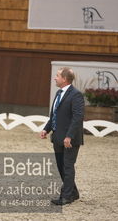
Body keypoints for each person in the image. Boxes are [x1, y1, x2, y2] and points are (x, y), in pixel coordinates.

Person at [40, 67, 84, 205]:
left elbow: (78, 117)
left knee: (67, 166)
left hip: (69, 139)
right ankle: (73, 192)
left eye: (57, 76)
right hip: (58, 138)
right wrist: (46, 129)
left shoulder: (76, 95)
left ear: (64, 79)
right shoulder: (59, 93)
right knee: (61, 166)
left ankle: (66, 196)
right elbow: (54, 115)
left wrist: (69, 136)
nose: (55, 78)